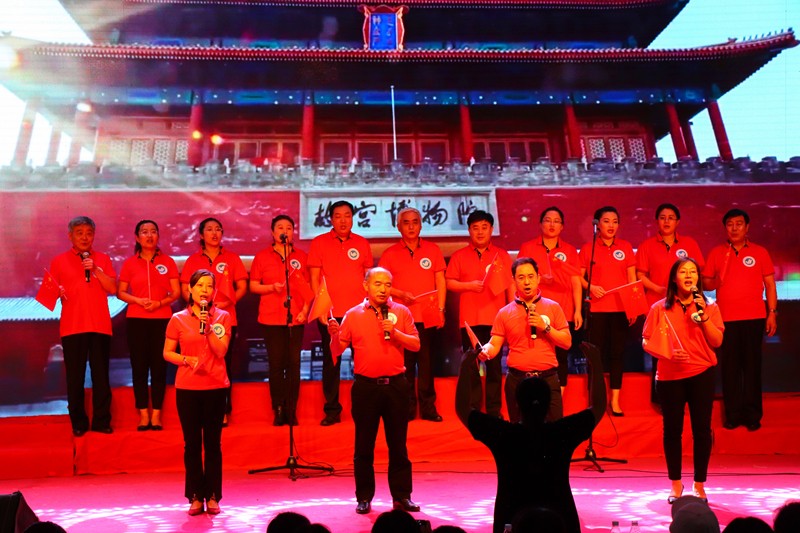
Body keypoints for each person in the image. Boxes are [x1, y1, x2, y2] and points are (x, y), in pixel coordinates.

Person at [456, 339, 606, 533]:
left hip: (510, 518)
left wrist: (465, 368)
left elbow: (463, 409)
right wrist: (596, 365)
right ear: (549, 404)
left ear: (516, 404)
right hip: (560, 518)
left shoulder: (504, 435)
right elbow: (598, 406)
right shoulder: (561, 433)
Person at [327, 267, 421, 515]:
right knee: (364, 446)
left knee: (398, 445)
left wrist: (395, 332)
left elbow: (416, 344)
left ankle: (402, 496)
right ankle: (364, 497)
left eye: (388, 284)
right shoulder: (352, 315)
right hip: (366, 388)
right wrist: (333, 336)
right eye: (378, 284)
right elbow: (337, 350)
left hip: (396, 386)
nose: (383, 289)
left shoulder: (401, 311)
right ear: (366, 286)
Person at [642, 258, 724, 504]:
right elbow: (646, 341)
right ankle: (676, 485)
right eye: (683, 272)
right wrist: (666, 352)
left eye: (693, 272)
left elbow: (717, 341)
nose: (689, 276)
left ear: (698, 278)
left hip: (701, 373)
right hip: (670, 377)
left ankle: (699, 485)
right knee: (672, 431)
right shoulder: (659, 308)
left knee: (702, 430)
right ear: (674, 278)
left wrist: (704, 317)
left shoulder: (709, 306)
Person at [702, 208, 778, 431]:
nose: (734, 228)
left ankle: (753, 415)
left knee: (752, 367)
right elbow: (706, 283)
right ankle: (733, 415)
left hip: (754, 317)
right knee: (730, 368)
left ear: (747, 227)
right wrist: (716, 281)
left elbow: (770, 284)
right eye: (730, 224)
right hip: (725, 319)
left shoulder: (759, 252)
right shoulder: (717, 253)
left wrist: (772, 312)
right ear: (725, 228)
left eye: (739, 224)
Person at [163, 269, 231, 516]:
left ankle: (212, 495)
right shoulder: (177, 319)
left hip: (215, 387)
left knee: (213, 444)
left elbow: (221, 351)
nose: (205, 290)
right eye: (200, 285)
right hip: (188, 388)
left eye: (209, 286)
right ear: (190, 290)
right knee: (191, 444)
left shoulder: (222, 317)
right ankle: (194, 496)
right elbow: (167, 352)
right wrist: (185, 359)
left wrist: (209, 327)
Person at [48, 216, 117, 436]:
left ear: (94, 235)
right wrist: (56, 291)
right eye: (79, 233)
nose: (85, 237)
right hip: (72, 326)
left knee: (101, 376)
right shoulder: (59, 261)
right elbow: (48, 294)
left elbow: (113, 288)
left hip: (99, 325)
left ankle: (102, 421)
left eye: (89, 233)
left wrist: (95, 269)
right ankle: (78, 422)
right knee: (75, 377)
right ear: (70, 236)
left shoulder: (103, 259)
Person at [479, 257, 571, 423]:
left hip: (548, 379)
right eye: (521, 277)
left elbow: (566, 342)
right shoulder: (504, 313)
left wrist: (545, 327)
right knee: (520, 432)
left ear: (538, 278)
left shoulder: (553, 307)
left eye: (530, 276)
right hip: (517, 381)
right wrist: (485, 350)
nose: (527, 282)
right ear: (513, 280)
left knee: (554, 431)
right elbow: (494, 344)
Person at [308, 200, 373, 426]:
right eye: (338, 216)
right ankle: (332, 410)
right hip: (330, 313)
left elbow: (369, 278)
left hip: (358, 313)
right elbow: (314, 278)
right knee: (331, 362)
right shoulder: (319, 243)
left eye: (347, 215)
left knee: (362, 360)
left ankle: (364, 409)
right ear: (331, 219)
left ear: (352, 218)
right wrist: (320, 308)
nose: (343, 220)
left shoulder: (362, 243)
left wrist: (369, 307)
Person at [379, 207, 447, 422]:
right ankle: (406, 409)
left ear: (421, 225)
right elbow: (381, 285)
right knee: (405, 366)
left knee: (426, 365)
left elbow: (440, 282)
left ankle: (428, 409)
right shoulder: (389, 254)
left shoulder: (433, 250)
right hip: (401, 319)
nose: (411, 226)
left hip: (427, 316)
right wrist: (400, 294)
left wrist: (441, 309)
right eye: (406, 222)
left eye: (415, 222)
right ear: (398, 226)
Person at [446, 210, 514, 418]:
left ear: (491, 229)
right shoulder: (459, 256)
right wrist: (469, 286)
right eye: (475, 228)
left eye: (484, 227)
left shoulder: (501, 255)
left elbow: (510, 285)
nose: (480, 232)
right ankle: (474, 408)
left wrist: (513, 310)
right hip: (469, 320)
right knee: (472, 367)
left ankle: (494, 410)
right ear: (469, 231)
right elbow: (449, 282)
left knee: (494, 367)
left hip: (496, 319)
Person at [636, 203, 706, 404]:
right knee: (660, 351)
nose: (667, 221)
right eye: (662, 217)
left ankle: (687, 396)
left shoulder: (689, 243)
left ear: (678, 222)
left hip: (686, 307)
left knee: (686, 350)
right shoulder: (646, 245)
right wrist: (660, 290)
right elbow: (641, 275)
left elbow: (697, 273)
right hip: (659, 306)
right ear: (656, 221)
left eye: (671, 218)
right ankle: (661, 399)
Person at [181, 217, 247, 426]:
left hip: (224, 320)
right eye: (209, 229)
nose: (214, 233)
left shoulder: (232, 258)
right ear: (201, 235)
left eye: (218, 229)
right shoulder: (193, 260)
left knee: (222, 364)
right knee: (199, 363)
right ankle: (199, 410)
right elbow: (185, 289)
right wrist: (200, 306)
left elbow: (242, 287)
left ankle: (223, 411)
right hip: (196, 320)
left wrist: (225, 304)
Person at [117, 219, 180, 431]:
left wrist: (159, 303)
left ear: (158, 236)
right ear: (137, 237)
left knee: (159, 366)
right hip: (136, 319)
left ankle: (157, 414)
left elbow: (176, 292)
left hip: (162, 319)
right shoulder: (130, 263)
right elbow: (121, 292)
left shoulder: (168, 262)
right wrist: (138, 301)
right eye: (144, 232)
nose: (149, 235)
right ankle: (143, 413)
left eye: (153, 231)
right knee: (139, 367)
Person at [250, 214, 310, 426]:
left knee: (294, 364)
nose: (285, 231)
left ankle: (291, 409)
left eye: (289, 228)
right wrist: (271, 288)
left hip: (296, 317)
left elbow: (308, 288)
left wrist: (305, 311)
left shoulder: (301, 256)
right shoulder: (262, 257)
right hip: (270, 318)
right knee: (276, 365)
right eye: (280, 227)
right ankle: (278, 408)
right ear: (273, 232)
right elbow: (253, 286)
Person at [579, 206, 637, 416]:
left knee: (617, 355)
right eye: (606, 221)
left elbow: (632, 280)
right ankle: (595, 400)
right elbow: (579, 278)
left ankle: (615, 401)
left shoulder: (626, 247)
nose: (611, 225)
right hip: (596, 309)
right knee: (595, 356)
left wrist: (632, 306)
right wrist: (591, 287)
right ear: (597, 224)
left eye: (615, 221)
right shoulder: (589, 249)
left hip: (620, 309)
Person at [518, 206, 583, 395]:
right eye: (548, 220)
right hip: (534, 310)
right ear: (540, 224)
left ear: (562, 226)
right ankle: (533, 396)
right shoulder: (528, 248)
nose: (552, 224)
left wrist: (578, 310)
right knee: (534, 354)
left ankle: (557, 398)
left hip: (563, 309)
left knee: (561, 356)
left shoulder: (570, 250)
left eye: (556, 221)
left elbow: (576, 282)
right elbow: (518, 278)